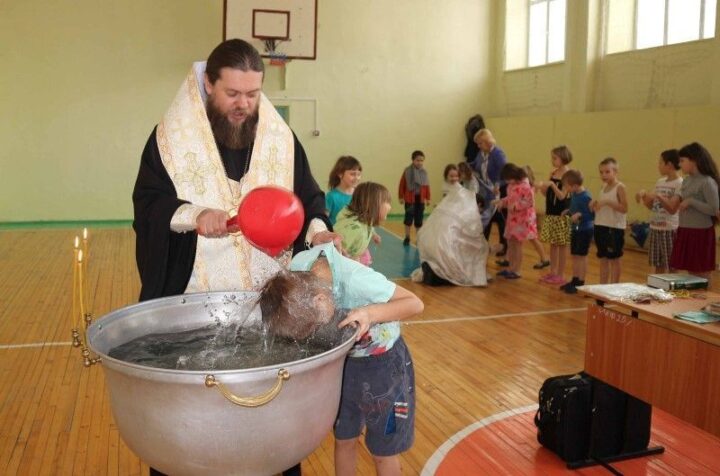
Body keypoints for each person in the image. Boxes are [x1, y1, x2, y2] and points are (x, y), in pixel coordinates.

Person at [131, 38, 338, 476]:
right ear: (209, 84)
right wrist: (193, 215)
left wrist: (318, 231)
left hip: (271, 309)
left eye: (253, 94)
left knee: (273, 434)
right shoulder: (169, 140)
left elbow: (309, 199)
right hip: (194, 306)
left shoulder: (280, 138)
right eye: (232, 93)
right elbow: (148, 205)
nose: (244, 104)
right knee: (191, 437)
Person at [259, 242, 423, 476]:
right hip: (343, 365)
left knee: (383, 450)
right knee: (344, 438)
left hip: (384, 367)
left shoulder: (357, 279)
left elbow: (415, 303)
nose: (317, 332)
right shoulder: (297, 270)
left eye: (315, 328)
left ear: (320, 299)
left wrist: (370, 313)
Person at [416, 186, 492, 286]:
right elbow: (475, 240)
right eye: (480, 210)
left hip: (431, 246)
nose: (479, 214)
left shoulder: (455, 210)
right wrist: (488, 248)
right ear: (478, 205)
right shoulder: (469, 214)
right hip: (445, 248)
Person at [668, 142, 720, 280]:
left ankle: (705, 294)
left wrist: (692, 202)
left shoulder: (707, 182)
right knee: (691, 273)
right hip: (685, 230)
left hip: (701, 233)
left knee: (702, 274)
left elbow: (714, 210)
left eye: (682, 161)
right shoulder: (686, 181)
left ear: (694, 161)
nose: (679, 164)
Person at [636, 149, 682, 273]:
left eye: (661, 162)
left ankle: (673, 286)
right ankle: (658, 285)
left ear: (669, 164)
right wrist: (644, 196)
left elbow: (672, 209)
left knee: (672, 265)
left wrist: (658, 196)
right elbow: (653, 207)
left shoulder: (680, 183)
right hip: (655, 228)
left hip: (669, 229)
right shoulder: (660, 182)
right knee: (658, 265)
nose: (658, 165)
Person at [493, 164, 537, 279]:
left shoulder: (525, 186)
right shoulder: (511, 185)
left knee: (517, 245)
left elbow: (529, 202)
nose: (507, 182)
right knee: (511, 243)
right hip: (512, 219)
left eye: (508, 179)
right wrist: (502, 202)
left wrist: (515, 206)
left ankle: (517, 270)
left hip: (522, 220)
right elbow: (510, 198)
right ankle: (511, 268)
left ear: (513, 175)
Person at [536, 146, 573, 284]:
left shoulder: (568, 174)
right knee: (553, 244)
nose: (552, 160)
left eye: (555, 158)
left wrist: (551, 185)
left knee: (561, 245)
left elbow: (562, 196)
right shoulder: (553, 172)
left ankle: (560, 274)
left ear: (563, 158)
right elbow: (547, 193)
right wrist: (542, 188)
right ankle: (553, 272)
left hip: (561, 214)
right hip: (551, 211)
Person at [470, 128, 508, 257]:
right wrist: (466, 166)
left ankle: (504, 246)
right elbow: (475, 165)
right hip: (486, 192)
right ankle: (483, 245)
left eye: (480, 143)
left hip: (498, 192)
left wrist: (498, 184)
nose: (478, 146)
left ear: (487, 142)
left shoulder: (498, 154)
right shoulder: (481, 154)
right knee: (488, 218)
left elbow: (506, 173)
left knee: (498, 220)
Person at [333, 182, 391, 266]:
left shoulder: (366, 221)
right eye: (387, 202)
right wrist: (350, 261)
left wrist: (374, 234)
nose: (390, 206)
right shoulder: (353, 229)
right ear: (370, 204)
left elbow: (368, 227)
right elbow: (335, 251)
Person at [590, 158, 628, 284]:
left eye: (607, 172)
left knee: (614, 259)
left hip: (614, 228)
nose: (603, 175)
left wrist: (607, 202)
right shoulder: (603, 187)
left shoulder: (620, 187)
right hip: (600, 226)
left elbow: (624, 208)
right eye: (601, 172)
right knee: (603, 258)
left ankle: (613, 288)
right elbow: (602, 205)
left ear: (615, 172)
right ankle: (603, 287)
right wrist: (595, 203)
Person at [560, 170, 594, 294]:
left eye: (566, 186)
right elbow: (575, 208)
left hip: (584, 230)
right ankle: (574, 279)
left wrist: (581, 215)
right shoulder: (574, 194)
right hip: (576, 228)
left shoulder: (586, 197)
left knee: (581, 256)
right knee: (575, 255)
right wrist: (568, 211)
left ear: (574, 185)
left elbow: (592, 214)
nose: (565, 188)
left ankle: (581, 282)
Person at [398, 150, 431, 246]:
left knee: (419, 221)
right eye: (417, 160)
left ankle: (418, 238)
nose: (420, 162)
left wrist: (428, 198)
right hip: (410, 200)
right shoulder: (407, 171)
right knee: (408, 220)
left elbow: (427, 186)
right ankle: (407, 237)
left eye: (422, 160)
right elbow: (402, 185)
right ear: (413, 160)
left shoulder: (424, 173)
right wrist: (401, 196)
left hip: (420, 200)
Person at [523, 165, 550, 270]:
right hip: (525, 216)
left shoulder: (530, 187)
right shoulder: (525, 186)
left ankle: (544, 259)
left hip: (528, 216)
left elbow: (541, 185)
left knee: (533, 238)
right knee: (516, 238)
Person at [326, 155, 362, 225]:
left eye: (359, 174)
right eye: (352, 174)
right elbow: (323, 220)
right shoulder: (331, 196)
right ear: (340, 174)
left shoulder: (360, 195)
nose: (356, 178)